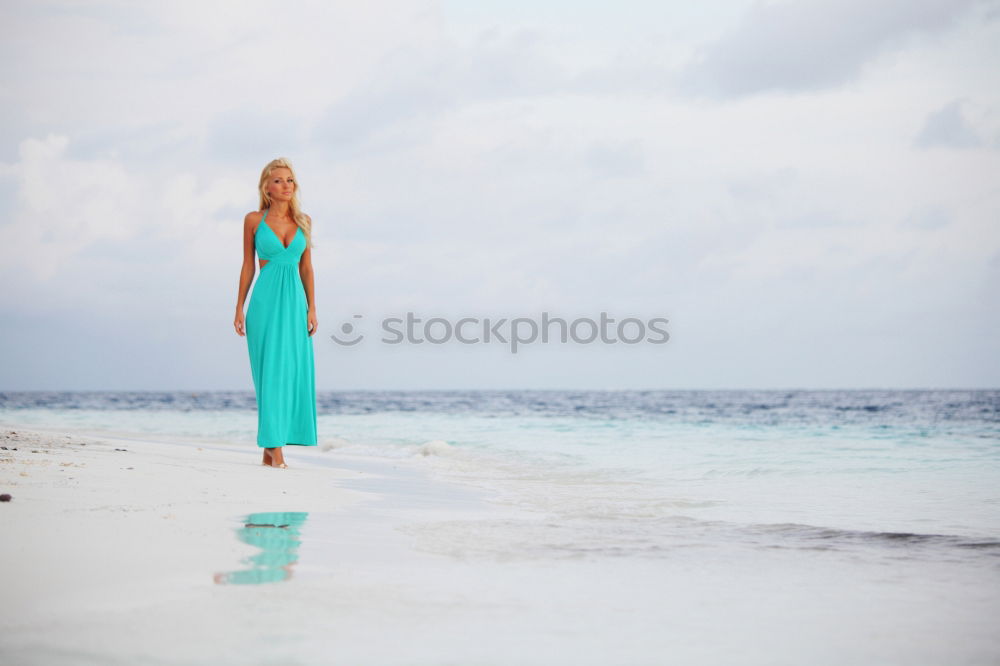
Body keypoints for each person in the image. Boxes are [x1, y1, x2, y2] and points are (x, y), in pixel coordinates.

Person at [233, 158, 318, 468]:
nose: (286, 185)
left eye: (290, 180)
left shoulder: (304, 221)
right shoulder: (254, 220)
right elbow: (247, 265)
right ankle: (276, 452)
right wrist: (239, 308)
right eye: (279, 180)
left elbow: (307, 268)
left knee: (291, 374)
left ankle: (270, 453)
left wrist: (312, 308)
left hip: (295, 304)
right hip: (265, 303)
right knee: (270, 375)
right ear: (266, 188)